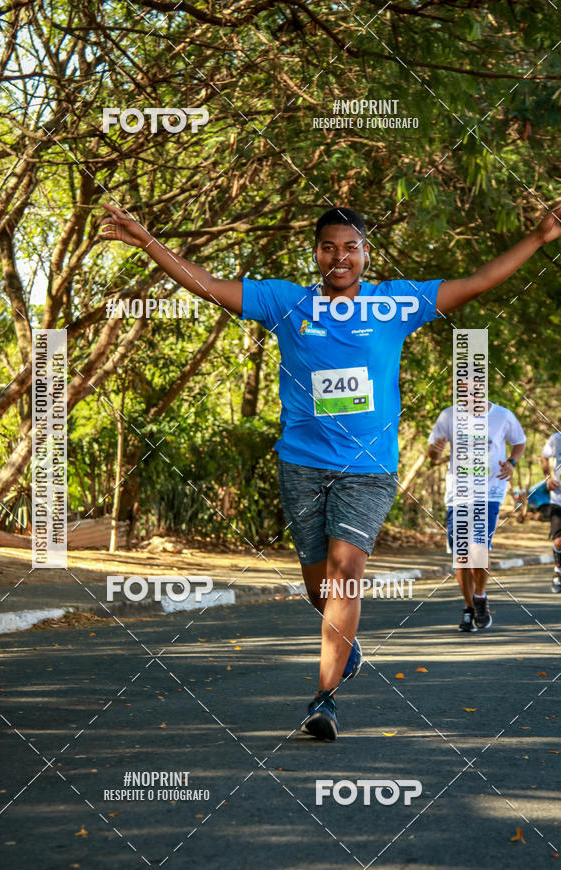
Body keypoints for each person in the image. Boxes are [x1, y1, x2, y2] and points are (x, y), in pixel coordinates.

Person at [100, 200, 561, 740]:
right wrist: (149, 242)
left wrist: (538, 237)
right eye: (328, 247)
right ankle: (346, 647)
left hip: (368, 469)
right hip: (301, 466)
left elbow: (476, 282)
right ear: (316, 254)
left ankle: (324, 699)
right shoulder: (286, 302)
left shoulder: (395, 304)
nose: (340, 257)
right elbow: (207, 284)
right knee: (320, 587)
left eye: (351, 247)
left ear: (366, 254)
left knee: (345, 575)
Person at [427, 402, 525, 630]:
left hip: (489, 493)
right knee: (462, 555)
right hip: (458, 495)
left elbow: (519, 441)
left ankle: (480, 597)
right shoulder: (448, 415)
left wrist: (512, 462)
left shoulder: (502, 415)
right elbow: (433, 454)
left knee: (478, 548)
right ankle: (469, 607)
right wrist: (436, 450)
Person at [540, 433, 561, 592]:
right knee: (558, 541)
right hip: (558, 499)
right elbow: (544, 457)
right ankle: (558, 570)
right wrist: (548, 478)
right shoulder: (557, 438)